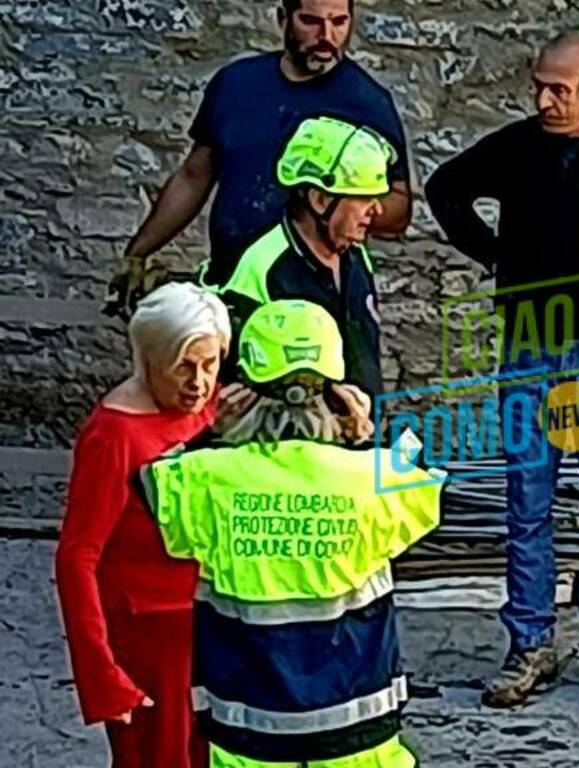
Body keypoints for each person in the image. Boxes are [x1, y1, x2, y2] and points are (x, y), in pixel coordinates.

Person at [425, 32, 579, 710]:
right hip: (529, 349)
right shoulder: (517, 147)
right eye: (538, 85)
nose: (544, 99)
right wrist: (494, 256)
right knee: (527, 506)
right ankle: (530, 643)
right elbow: (447, 190)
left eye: (559, 88)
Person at [139, 299, 444, 768]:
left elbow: (149, 483)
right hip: (357, 728)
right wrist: (363, 433)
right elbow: (424, 479)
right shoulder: (371, 476)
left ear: (244, 388)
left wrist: (213, 429)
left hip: (250, 729)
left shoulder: (208, 476)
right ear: (337, 389)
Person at [108, 0, 411, 316]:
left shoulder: (367, 103)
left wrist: (343, 208)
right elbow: (193, 177)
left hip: (317, 296)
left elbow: (399, 208)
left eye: (338, 22)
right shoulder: (236, 85)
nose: (327, 35)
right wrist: (138, 253)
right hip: (233, 283)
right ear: (284, 18)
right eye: (310, 21)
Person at [55, 282, 232, 768]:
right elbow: (77, 556)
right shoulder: (113, 435)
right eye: (184, 366)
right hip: (147, 640)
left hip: (209, 625)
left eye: (210, 363)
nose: (199, 381)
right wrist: (101, 673)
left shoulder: (211, 407)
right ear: (149, 359)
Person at [219, 115, 393, 397]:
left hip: (362, 434)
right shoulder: (261, 267)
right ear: (320, 200)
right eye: (363, 198)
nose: (378, 211)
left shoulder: (356, 255)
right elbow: (241, 388)